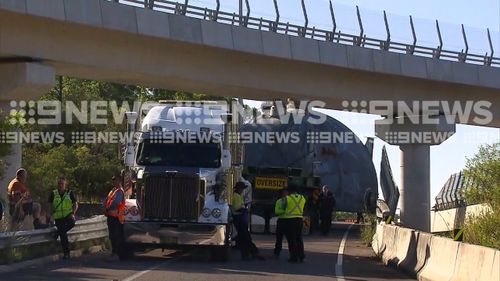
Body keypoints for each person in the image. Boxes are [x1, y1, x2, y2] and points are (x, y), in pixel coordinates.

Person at [48, 177, 78, 259]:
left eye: (62, 184)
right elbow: (49, 205)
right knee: (63, 235)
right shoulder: (53, 193)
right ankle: (66, 253)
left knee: (72, 223)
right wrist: (50, 215)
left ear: (65, 184)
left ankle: (57, 233)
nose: (60, 185)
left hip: (68, 215)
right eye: (59, 184)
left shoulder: (69, 193)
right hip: (58, 217)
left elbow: (75, 204)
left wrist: (73, 213)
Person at [231, 182, 263, 260]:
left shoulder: (236, 196)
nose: (242, 190)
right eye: (242, 188)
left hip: (238, 218)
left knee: (245, 238)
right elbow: (237, 208)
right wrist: (245, 206)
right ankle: (250, 254)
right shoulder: (237, 196)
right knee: (245, 238)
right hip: (240, 218)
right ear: (239, 188)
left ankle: (251, 253)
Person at [280, 185, 306, 263]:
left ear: (289, 191)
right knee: (299, 238)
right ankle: (301, 256)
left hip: (289, 221)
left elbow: (283, 207)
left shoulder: (287, 198)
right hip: (299, 220)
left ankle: (293, 257)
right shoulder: (302, 198)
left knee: (291, 240)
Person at [105, 175, 126, 260]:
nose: (114, 182)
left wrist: (107, 208)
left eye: (116, 180)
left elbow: (116, 203)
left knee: (115, 236)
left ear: (120, 181)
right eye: (113, 180)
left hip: (117, 217)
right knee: (112, 236)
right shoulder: (113, 190)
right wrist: (104, 207)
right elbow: (107, 200)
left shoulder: (120, 191)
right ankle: (114, 253)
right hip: (111, 216)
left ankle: (116, 254)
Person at [273, 188, 288, 258]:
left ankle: (293, 253)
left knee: (291, 239)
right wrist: (284, 211)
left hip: (289, 221)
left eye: (286, 193)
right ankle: (277, 252)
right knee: (279, 238)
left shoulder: (290, 201)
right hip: (281, 220)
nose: (285, 194)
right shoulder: (279, 201)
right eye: (284, 193)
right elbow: (276, 211)